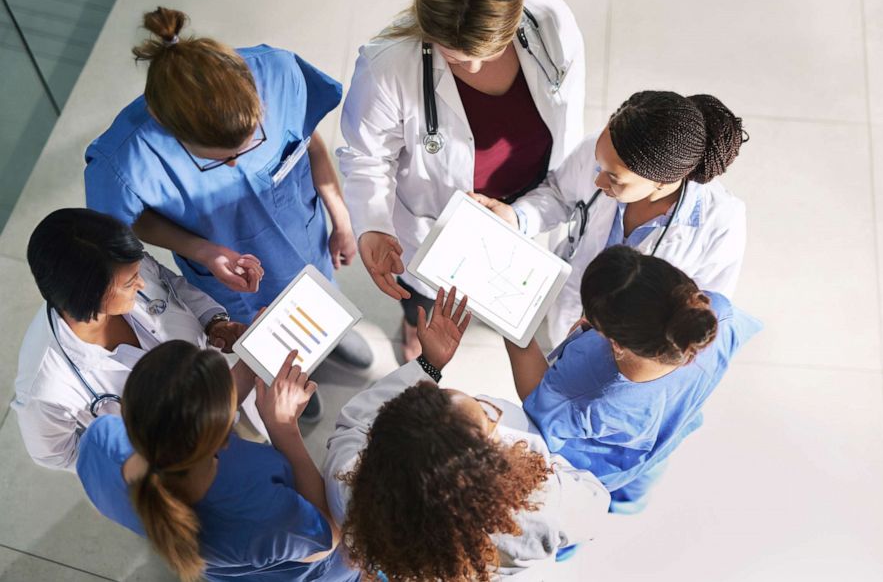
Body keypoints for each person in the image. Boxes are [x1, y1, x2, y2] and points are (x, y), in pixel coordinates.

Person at [83, 7, 372, 421]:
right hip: (230, 276)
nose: (239, 164)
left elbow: (306, 141)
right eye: (222, 159)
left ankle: (326, 339)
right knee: (263, 335)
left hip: (303, 234)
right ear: (168, 125)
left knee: (321, 293)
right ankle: (291, 372)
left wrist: (340, 216)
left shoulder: (279, 72)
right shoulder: (126, 159)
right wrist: (201, 251)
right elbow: (130, 220)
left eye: (249, 145)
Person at [339, 0, 586, 360]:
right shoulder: (386, 65)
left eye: (482, 55)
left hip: (530, 189)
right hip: (436, 213)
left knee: (509, 275)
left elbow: (570, 108)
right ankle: (416, 319)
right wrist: (373, 224)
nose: (470, 69)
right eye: (453, 55)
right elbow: (367, 157)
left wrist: (527, 210)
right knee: (425, 293)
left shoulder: (550, 20)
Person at [324, 288, 609, 580]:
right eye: (488, 417)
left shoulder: (351, 487)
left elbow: (355, 422)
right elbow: (596, 501)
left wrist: (429, 364)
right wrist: (543, 464)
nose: (492, 410)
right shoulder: (536, 511)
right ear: (482, 466)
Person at [475, 90, 748, 344]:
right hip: (564, 305)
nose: (597, 181)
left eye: (614, 178)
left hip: (628, 347)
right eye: (598, 165)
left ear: (663, 182)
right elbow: (560, 193)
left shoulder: (721, 222)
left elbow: (705, 311)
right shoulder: (606, 150)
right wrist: (517, 216)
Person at [505, 246, 762, 514]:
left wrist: (513, 326)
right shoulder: (718, 313)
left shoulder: (589, 383)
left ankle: (572, 544)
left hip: (589, 471)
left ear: (615, 343)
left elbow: (536, 397)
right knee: (632, 494)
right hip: (664, 439)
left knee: (578, 513)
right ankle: (629, 506)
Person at [77, 341, 358, 582]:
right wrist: (283, 427)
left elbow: (180, 423)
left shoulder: (99, 443)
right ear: (223, 439)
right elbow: (330, 539)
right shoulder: (263, 511)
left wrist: (248, 365)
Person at [12, 208, 244, 471]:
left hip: (228, 393)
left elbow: (170, 284)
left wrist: (213, 321)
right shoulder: (46, 389)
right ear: (88, 295)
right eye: (130, 282)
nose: (141, 284)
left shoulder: (126, 265)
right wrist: (138, 464)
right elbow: (57, 455)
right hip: (179, 464)